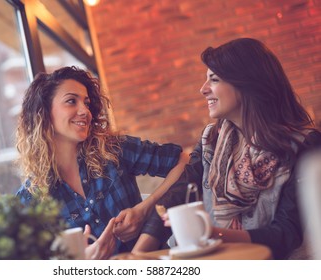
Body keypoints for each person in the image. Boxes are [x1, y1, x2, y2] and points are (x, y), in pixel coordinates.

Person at [132, 38, 321, 259]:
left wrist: (214, 234)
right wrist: (137, 256)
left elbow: (287, 234)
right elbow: (176, 197)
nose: (202, 89)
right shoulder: (211, 141)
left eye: (214, 79)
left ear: (246, 84)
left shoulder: (305, 144)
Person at [15, 66, 188, 259]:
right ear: (44, 113)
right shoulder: (31, 199)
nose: (85, 111)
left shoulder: (113, 150)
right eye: (71, 101)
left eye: (87, 103)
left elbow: (184, 161)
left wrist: (145, 209)